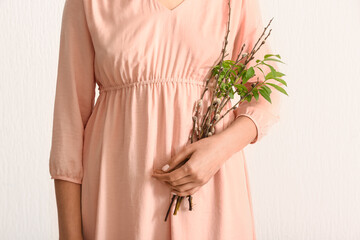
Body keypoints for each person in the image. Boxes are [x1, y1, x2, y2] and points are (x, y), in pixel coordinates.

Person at [49, 0, 282, 239]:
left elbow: (266, 93)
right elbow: (69, 123)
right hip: (121, 196)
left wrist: (220, 149)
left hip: (211, 191)